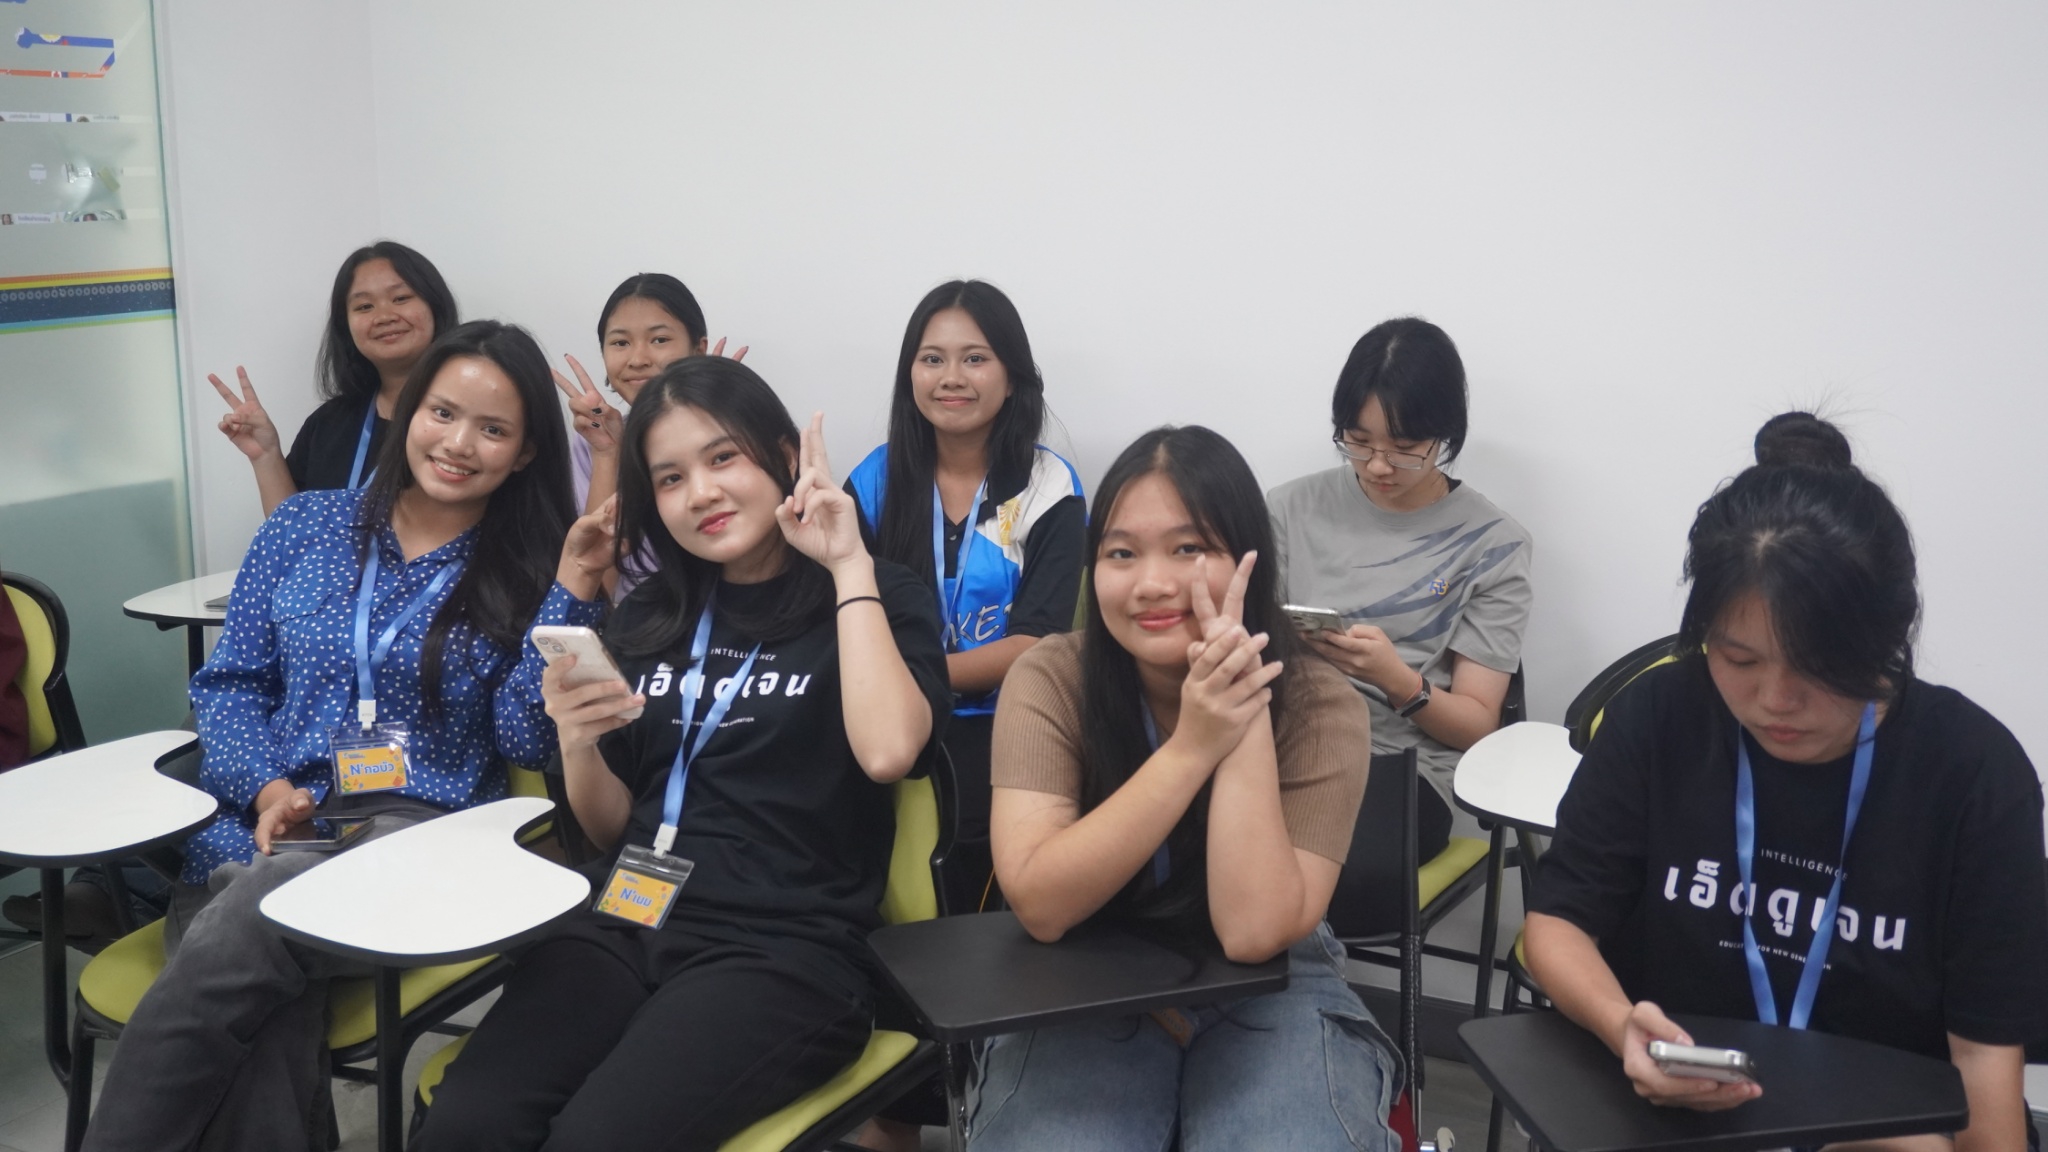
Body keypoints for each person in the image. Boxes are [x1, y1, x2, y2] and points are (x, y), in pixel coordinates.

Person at [82, 320, 598, 1152]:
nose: (457, 443)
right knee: (267, 983)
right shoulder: (304, 525)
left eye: (493, 429)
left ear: (526, 452)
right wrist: (265, 788)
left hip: (416, 832)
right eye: (442, 413)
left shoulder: (533, 566)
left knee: (246, 918)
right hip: (262, 822)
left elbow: (524, 740)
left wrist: (573, 590)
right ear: (410, 411)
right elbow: (229, 683)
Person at [413, 357, 951, 1152]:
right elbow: (611, 828)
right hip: (626, 918)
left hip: (782, 949)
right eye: (669, 478)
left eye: (722, 457)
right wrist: (578, 741)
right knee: (466, 1127)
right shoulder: (651, 616)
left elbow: (889, 753)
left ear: (784, 456)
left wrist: (846, 565)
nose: (700, 493)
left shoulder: (875, 594)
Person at [1524, 413, 2048, 1152]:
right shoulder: (1663, 716)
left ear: (1886, 638)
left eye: (1816, 666)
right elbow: (1558, 923)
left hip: (1889, 1136)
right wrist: (1622, 1030)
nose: (1774, 700)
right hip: (1683, 1123)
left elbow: (1986, 1075)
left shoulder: (1973, 776)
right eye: (1738, 660)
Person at [972, 425, 1397, 1152]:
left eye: (1189, 548)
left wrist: (1240, 706)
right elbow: (1042, 906)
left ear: (1250, 561)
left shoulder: (1322, 704)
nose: (1153, 583)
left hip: (1277, 981)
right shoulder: (1050, 678)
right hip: (1086, 964)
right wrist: (1192, 747)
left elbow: (1254, 934)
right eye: (1121, 553)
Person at [1266, 317, 1531, 935]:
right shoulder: (1288, 508)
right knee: (1179, 839)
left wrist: (1397, 680)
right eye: (1357, 442)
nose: (1378, 466)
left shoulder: (1493, 545)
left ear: (1446, 435)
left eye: (1405, 447)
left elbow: (1477, 726)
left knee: (1321, 873)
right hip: (1282, 741)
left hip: (1402, 771)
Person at [847, 279, 1085, 917]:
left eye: (975, 358)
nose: (952, 377)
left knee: (975, 844)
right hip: (885, 716)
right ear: (910, 375)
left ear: (1013, 377)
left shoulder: (1048, 487)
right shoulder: (873, 479)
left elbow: (1037, 643)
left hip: (1009, 717)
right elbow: (840, 613)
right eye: (933, 359)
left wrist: (913, 679)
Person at [210, 241, 458, 516]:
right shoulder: (328, 423)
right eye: (364, 306)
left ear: (435, 306)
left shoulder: (468, 419)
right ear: (346, 326)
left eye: (400, 298)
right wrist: (265, 455)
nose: (384, 316)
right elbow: (290, 528)